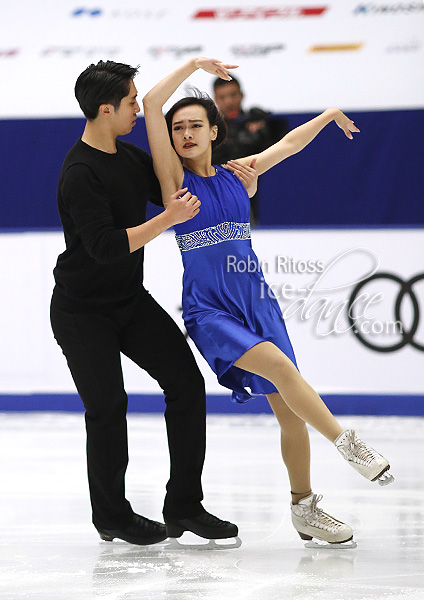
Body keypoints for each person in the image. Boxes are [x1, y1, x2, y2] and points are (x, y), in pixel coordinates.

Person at [142, 57, 394, 546]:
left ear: (215, 130)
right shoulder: (177, 183)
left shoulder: (239, 176)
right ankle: (349, 443)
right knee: (280, 367)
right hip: (210, 309)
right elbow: (152, 103)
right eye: (179, 128)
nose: (186, 134)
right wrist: (193, 65)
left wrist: (327, 115)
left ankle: (305, 508)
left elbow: (289, 145)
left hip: (258, 302)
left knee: (289, 411)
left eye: (196, 125)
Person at [50, 60, 254, 546]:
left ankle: (184, 504)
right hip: (82, 311)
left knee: (186, 383)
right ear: (105, 109)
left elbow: (174, 183)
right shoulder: (80, 173)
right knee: (107, 406)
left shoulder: (125, 157)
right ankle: (112, 516)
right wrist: (167, 219)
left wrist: (228, 176)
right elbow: (106, 246)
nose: (139, 109)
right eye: (131, 102)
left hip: (128, 301)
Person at [212, 76, 289, 224]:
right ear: (215, 100)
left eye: (233, 95)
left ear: (241, 95)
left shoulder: (255, 122)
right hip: (216, 201)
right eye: (222, 97)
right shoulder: (211, 131)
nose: (229, 102)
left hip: (251, 202)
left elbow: (283, 141)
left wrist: (266, 125)